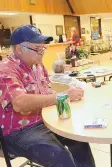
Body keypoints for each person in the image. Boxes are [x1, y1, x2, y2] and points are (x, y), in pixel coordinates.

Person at [0, 25, 95, 167]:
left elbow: (47, 90)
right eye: (38, 48)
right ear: (20, 49)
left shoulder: (37, 65)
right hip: (19, 131)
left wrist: (67, 92)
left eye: (43, 48)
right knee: (60, 157)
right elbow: (20, 103)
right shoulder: (6, 70)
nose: (42, 52)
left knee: (79, 139)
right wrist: (63, 96)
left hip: (44, 120)